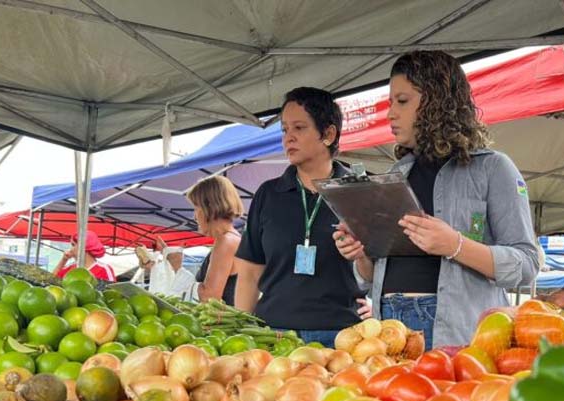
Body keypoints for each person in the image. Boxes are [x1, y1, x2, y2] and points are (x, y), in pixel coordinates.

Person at [334, 50, 539, 349]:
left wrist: (455, 245)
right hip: (387, 326)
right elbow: (368, 277)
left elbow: (527, 264)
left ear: (437, 101)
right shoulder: (395, 174)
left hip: (458, 329)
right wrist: (361, 252)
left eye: (402, 101)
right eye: (390, 102)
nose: (390, 113)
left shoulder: (493, 168)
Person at [235, 87, 364, 347]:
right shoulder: (268, 194)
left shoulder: (359, 190)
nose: (288, 138)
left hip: (339, 337)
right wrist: (243, 331)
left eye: (299, 128)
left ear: (328, 134)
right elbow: (249, 273)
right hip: (273, 334)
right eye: (284, 130)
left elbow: (378, 265)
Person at [186, 176, 243, 305]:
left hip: (225, 325)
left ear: (209, 207)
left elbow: (209, 296)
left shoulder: (226, 242)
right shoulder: (232, 238)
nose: (195, 216)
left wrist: (182, 283)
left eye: (196, 208)